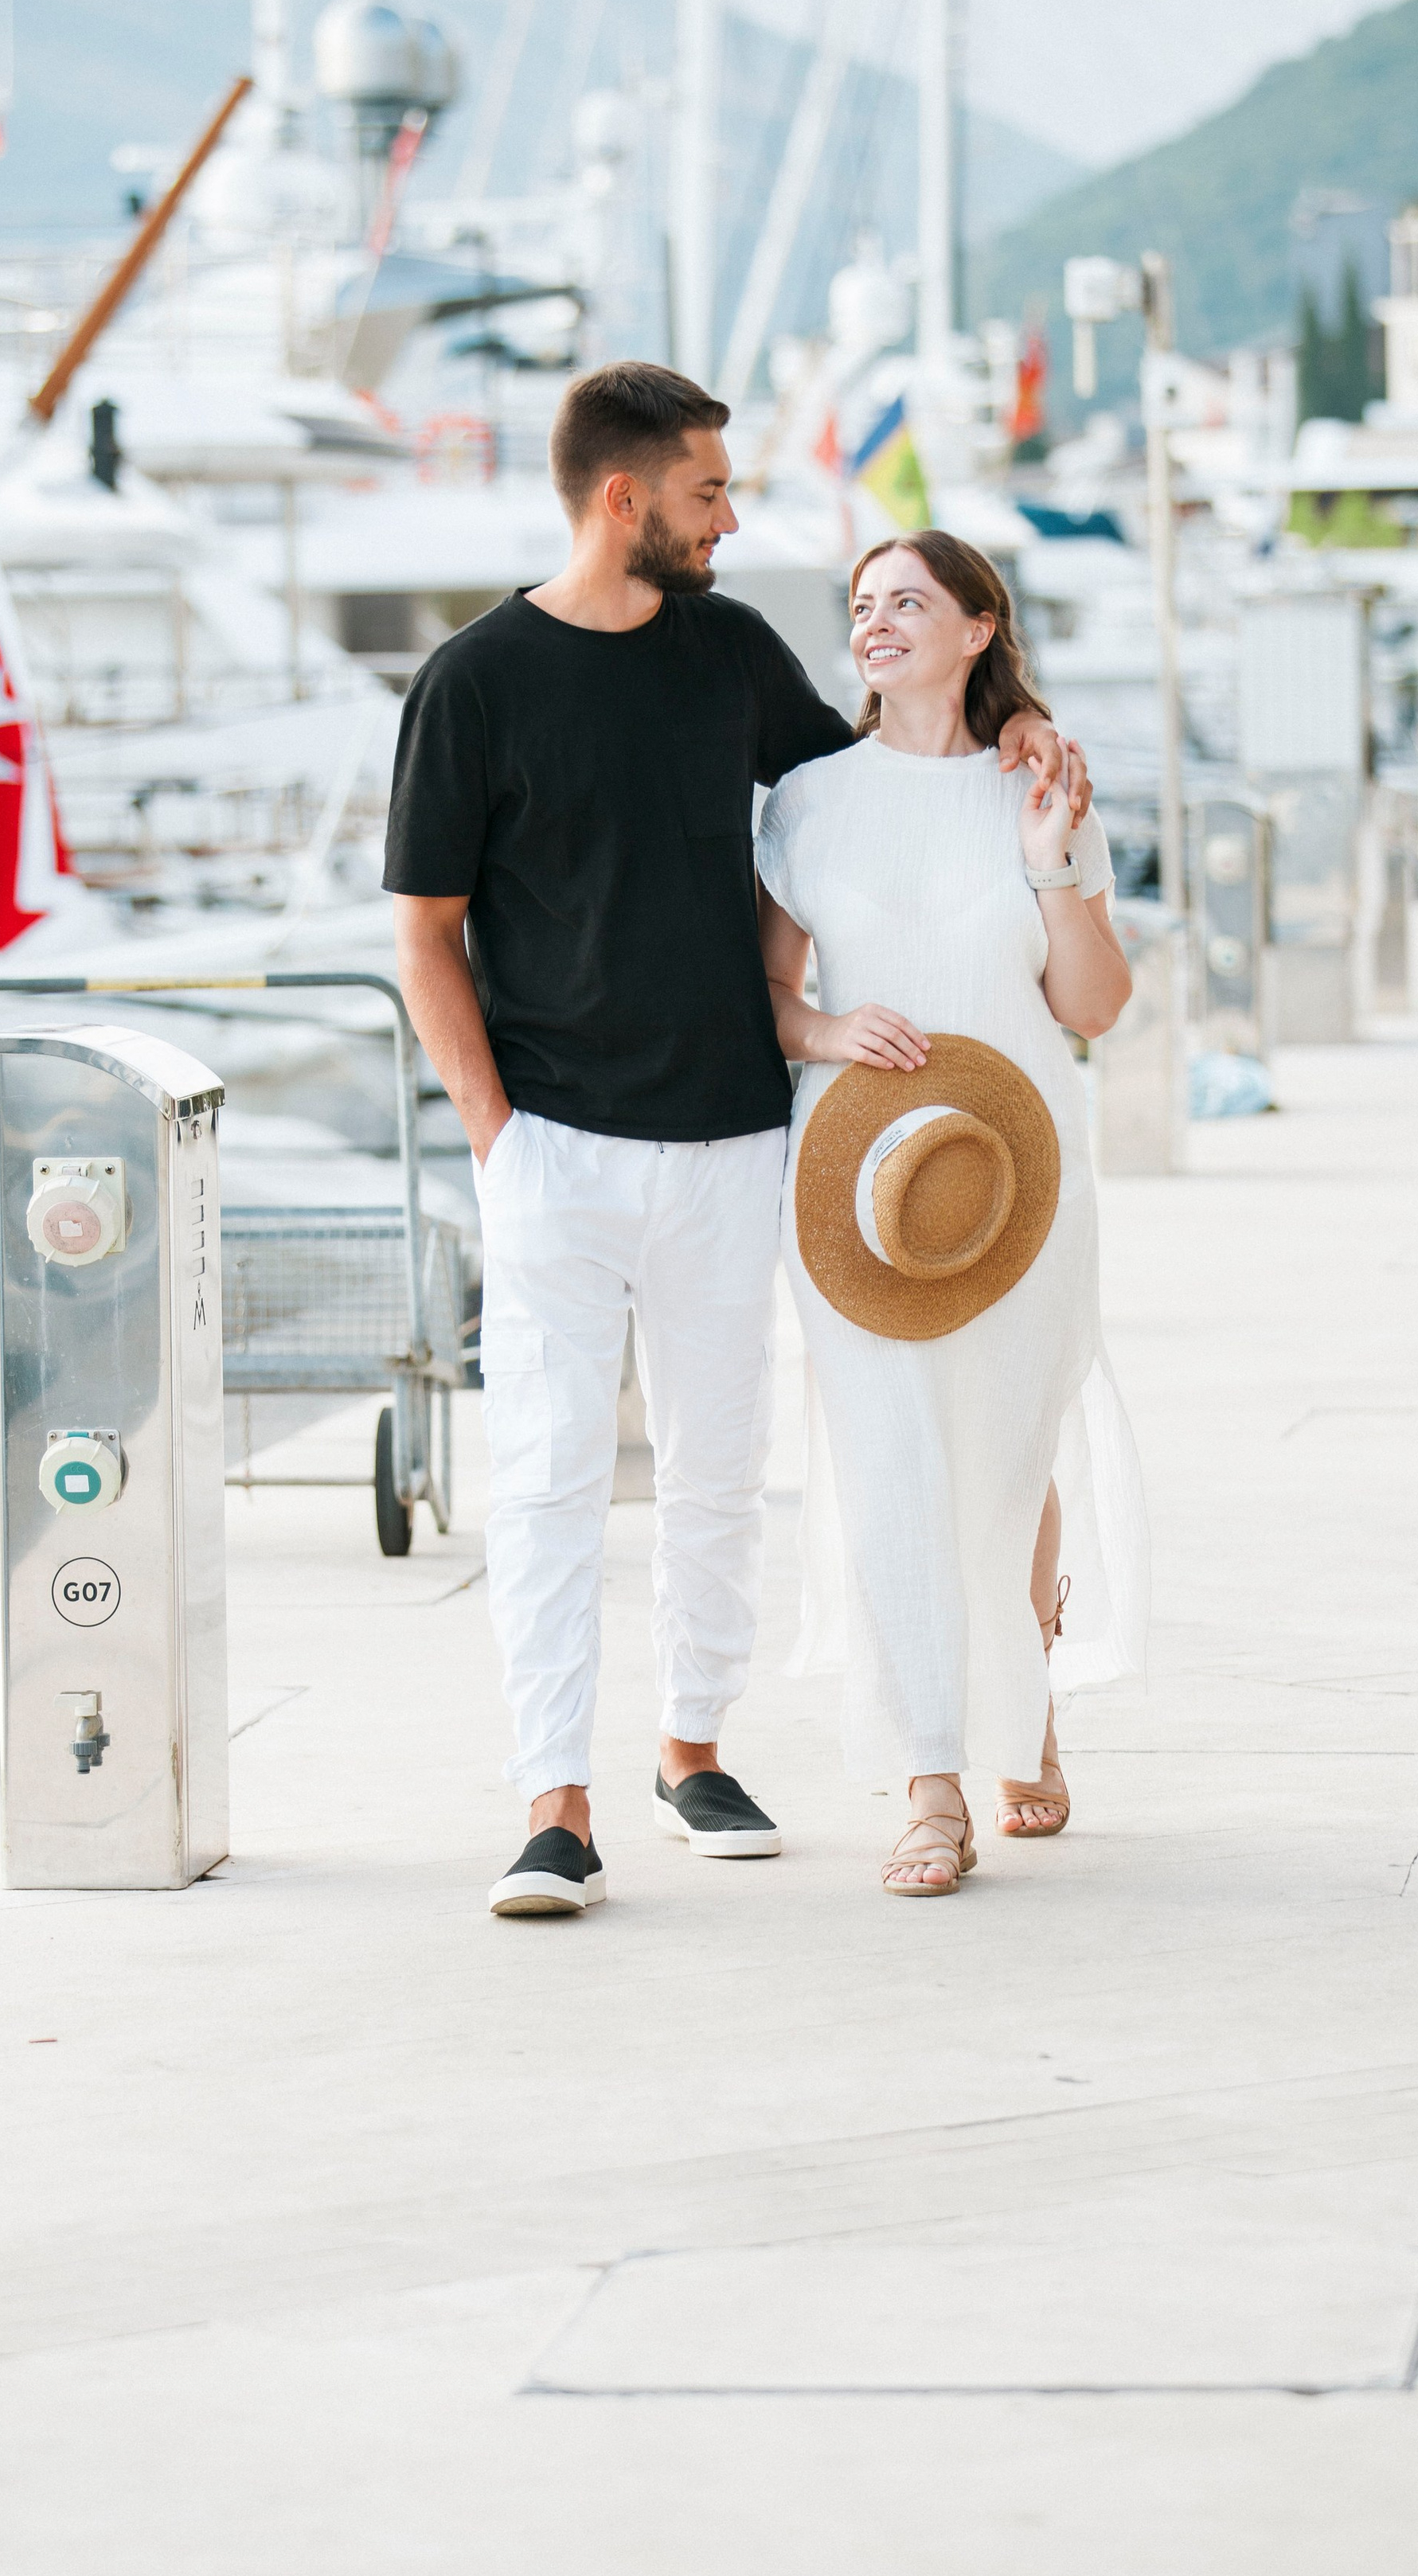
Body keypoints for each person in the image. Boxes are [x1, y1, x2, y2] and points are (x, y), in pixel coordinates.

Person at [385, 363, 1092, 1918]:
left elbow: (879, 763)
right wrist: (494, 1133)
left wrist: (1025, 718)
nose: (729, 516)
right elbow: (424, 935)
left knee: (717, 1474)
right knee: (551, 1467)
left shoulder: (727, 656)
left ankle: (688, 1749)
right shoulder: (474, 681)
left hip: (730, 1148)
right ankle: (550, 1803)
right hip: (552, 1149)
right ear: (624, 499)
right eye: (709, 491)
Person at [756, 530, 1149, 1895]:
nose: (875, 624)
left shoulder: (1041, 783)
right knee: (889, 1465)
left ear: (980, 628)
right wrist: (820, 1032)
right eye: (862, 607)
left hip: (1021, 1173)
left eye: (907, 602)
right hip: (857, 1188)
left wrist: (1049, 861)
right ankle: (933, 1779)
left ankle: (1021, 1699)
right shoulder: (805, 800)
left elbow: (1096, 1008)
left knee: (1004, 1449)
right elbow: (768, 997)